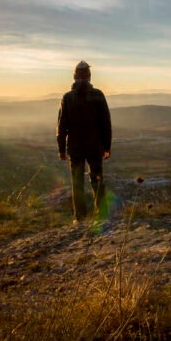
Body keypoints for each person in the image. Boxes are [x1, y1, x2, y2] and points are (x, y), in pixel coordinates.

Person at [57, 61, 112, 222]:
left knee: (77, 182)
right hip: (95, 146)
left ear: (74, 76)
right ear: (89, 76)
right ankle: (101, 215)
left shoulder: (67, 97)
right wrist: (107, 146)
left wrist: (61, 149)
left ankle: (80, 217)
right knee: (97, 180)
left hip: (75, 147)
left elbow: (62, 125)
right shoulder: (98, 95)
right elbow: (106, 123)